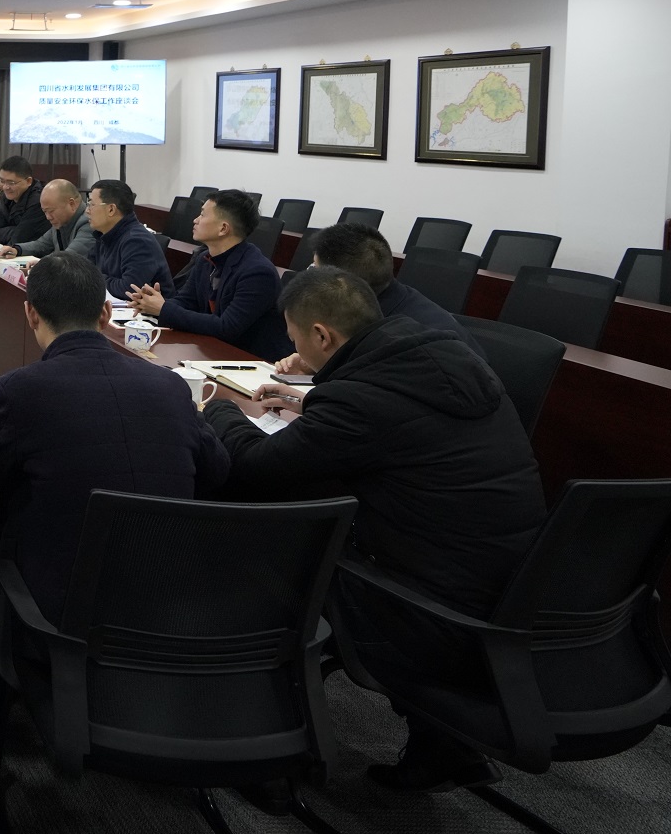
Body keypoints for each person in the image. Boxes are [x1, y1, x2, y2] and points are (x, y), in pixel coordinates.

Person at [202, 266, 545, 791]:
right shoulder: (442, 355)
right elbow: (398, 425)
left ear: (322, 336)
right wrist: (311, 402)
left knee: (268, 551)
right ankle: (442, 749)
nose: (292, 347)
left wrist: (221, 409)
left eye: (294, 337)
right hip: (511, 592)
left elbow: (256, 464)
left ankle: (268, 751)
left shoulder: (361, 402)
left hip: (428, 611)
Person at [0, 251, 230, 732]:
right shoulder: (169, 387)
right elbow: (218, 471)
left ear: (30, 314)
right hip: (166, 600)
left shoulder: (23, 389)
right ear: (105, 313)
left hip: (61, 611)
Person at [126, 188, 291, 361]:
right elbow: (186, 301)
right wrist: (151, 304)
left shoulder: (258, 273)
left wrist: (164, 309)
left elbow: (226, 327)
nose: (195, 220)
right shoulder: (205, 259)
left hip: (251, 360)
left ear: (223, 228)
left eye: (203, 215)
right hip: (214, 352)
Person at [306, 223, 482, 354]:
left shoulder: (404, 342)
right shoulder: (382, 301)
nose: (310, 275)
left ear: (341, 283)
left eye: (314, 268)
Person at [87, 178, 172, 298]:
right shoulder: (104, 234)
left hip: (145, 309)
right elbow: (86, 271)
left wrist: (95, 278)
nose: (87, 211)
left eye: (91, 205)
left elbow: (128, 289)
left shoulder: (138, 241)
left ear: (111, 209)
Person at [0, 180, 96, 261]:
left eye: (51, 211)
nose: (48, 217)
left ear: (72, 204)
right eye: (45, 211)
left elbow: (69, 257)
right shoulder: (61, 221)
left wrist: (42, 264)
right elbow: (42, 244)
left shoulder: (89, 222)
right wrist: (17, 250)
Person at [0, 156, 48, 244]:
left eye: (11, 183)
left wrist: (13, 232)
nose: (5, 187)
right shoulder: (5, 197)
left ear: (28, 181)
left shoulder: (38, 202)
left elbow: (20, 238)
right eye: (2, 181)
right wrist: (15, 230)